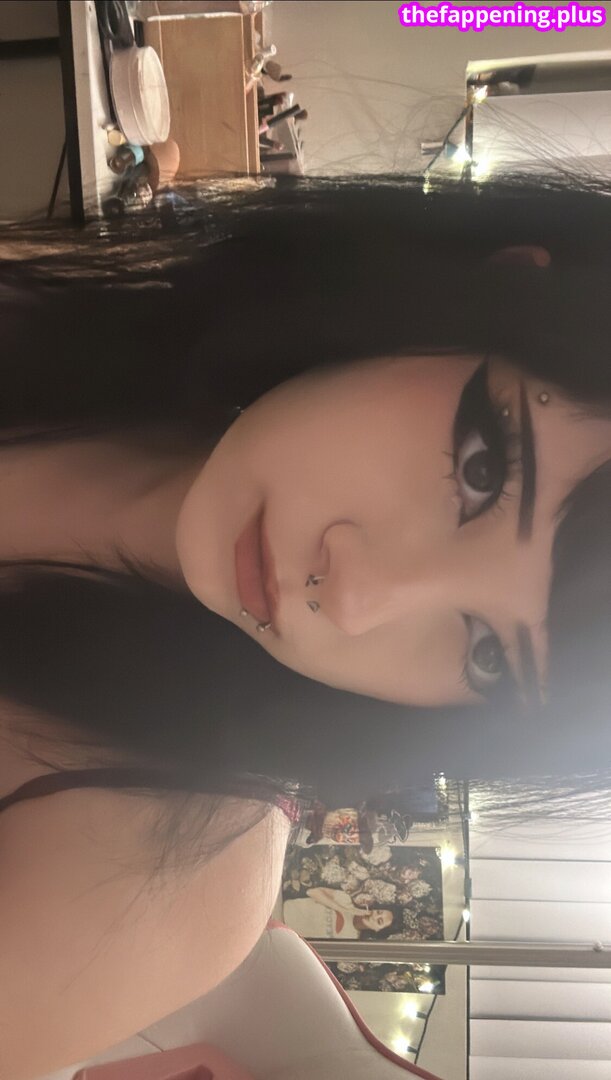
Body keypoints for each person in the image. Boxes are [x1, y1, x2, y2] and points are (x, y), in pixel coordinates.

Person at [2, 173, 611, 1076]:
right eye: (483, 469)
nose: (358, 596)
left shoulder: (149, 881)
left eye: (488, 656)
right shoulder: (58, 302)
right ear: (488, 295)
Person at [283, 885, 401, 939]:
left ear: (377, 930)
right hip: (281, 910)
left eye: (379, 921)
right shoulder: (345, 900)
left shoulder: (351, 940)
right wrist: (346, 910)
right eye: (378, 912)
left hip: (284, 936)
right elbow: (312, 892)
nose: (374, 916)